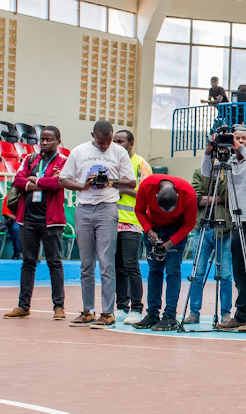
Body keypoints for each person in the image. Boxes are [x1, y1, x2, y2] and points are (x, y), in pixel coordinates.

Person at [59, 120, 136, 329]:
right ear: (93, 135)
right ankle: (87, 311)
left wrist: (110, 181)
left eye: (108, 142)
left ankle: (108, 312)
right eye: (101, 143)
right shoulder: (79, 151)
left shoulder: (118, 152)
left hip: (107, 209)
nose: (105, 146)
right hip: (83, 209)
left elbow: (131, 182)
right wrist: (82, 185)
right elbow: (63, 180)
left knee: (106, 262)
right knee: (86, 264)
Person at [205, 125, 246, 333]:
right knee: (240, 274)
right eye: (236, 138)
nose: (240, 141)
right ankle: (241, 316)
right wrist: (209, 150)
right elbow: (207, 172)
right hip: (238, 224)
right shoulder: (229, 162)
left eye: (244, 139)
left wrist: (240, 148)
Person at [4, 127, 67, 320]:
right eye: (43, 139)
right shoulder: (31, 159)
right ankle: (23, 306)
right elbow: (18, 180)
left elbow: (58, 183)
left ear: (58, 141)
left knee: (54, 263)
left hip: (51, 221)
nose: (45, 143)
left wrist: (36, 181)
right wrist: (41, 182)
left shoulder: (63, 162)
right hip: (28, 219)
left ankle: (59, 307)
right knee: (28, 262)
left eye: (49, 139)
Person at [132, 174, 197, 331]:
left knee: (173, 270)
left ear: (177, 195)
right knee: (154, 271)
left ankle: (169, 316)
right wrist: (148, 230)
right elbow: (139, 210)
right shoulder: (147, 187)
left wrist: (170, 243)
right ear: (156, 196)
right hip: (154, 229)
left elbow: (189, 223)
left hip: (176, 229)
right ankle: (152, 314)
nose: (166, 213)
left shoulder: (188, 193)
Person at [184, 166, 233, 325]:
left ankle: (226, 313)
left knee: (225, 274)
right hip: (203, 229)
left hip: (225, 230)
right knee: (197, 273)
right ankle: (193, 312)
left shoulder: (229, 171)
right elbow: (196, 199)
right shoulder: (199, 172)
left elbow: (228, 195)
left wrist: (221, 174)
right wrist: (219, 198)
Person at [112, 130, 152, 325]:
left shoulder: (141, 164)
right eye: (114, 141)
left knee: (131, 266)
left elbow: (146, 195)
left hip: (132, 223)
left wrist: (121, 188)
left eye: (121, 141)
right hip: (111, 222)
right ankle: (121, 306)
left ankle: (137, 308)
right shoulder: (111, 163)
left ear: (131, 143)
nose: (117, 145)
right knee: (117, 266)